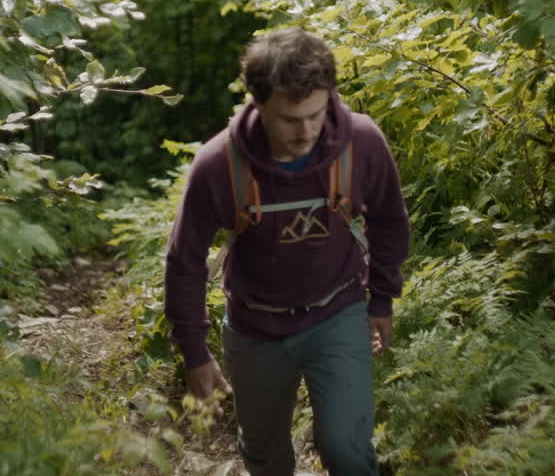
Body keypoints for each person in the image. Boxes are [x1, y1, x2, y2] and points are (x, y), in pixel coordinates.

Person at [163, 27, 410, 476]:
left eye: (316, 114)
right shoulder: (219, 165)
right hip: (255, 326)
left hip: (339, 311)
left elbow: (391, 221)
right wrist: (194, 351)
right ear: (257, 103)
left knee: (347, 450)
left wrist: (383, 299)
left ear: (330, 95)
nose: (306, 131)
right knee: (264, 454)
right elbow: (184, 260)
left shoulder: (361, 142)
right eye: (289, 119)